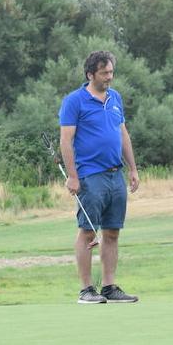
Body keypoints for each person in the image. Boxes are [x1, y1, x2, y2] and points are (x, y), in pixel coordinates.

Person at [59, 51, 140, 304]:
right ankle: (86, 290)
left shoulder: (115, 98)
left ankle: (109, 287)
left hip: (115, 174)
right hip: (90, 176)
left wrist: (133, 169)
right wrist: (73, 176)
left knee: (112, 232)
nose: (109, 77)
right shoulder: (75, 101)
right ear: (90, 74)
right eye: (104, 73)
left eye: (111, 72)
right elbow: (66, 140)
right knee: (87, 232)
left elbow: (122, 134)